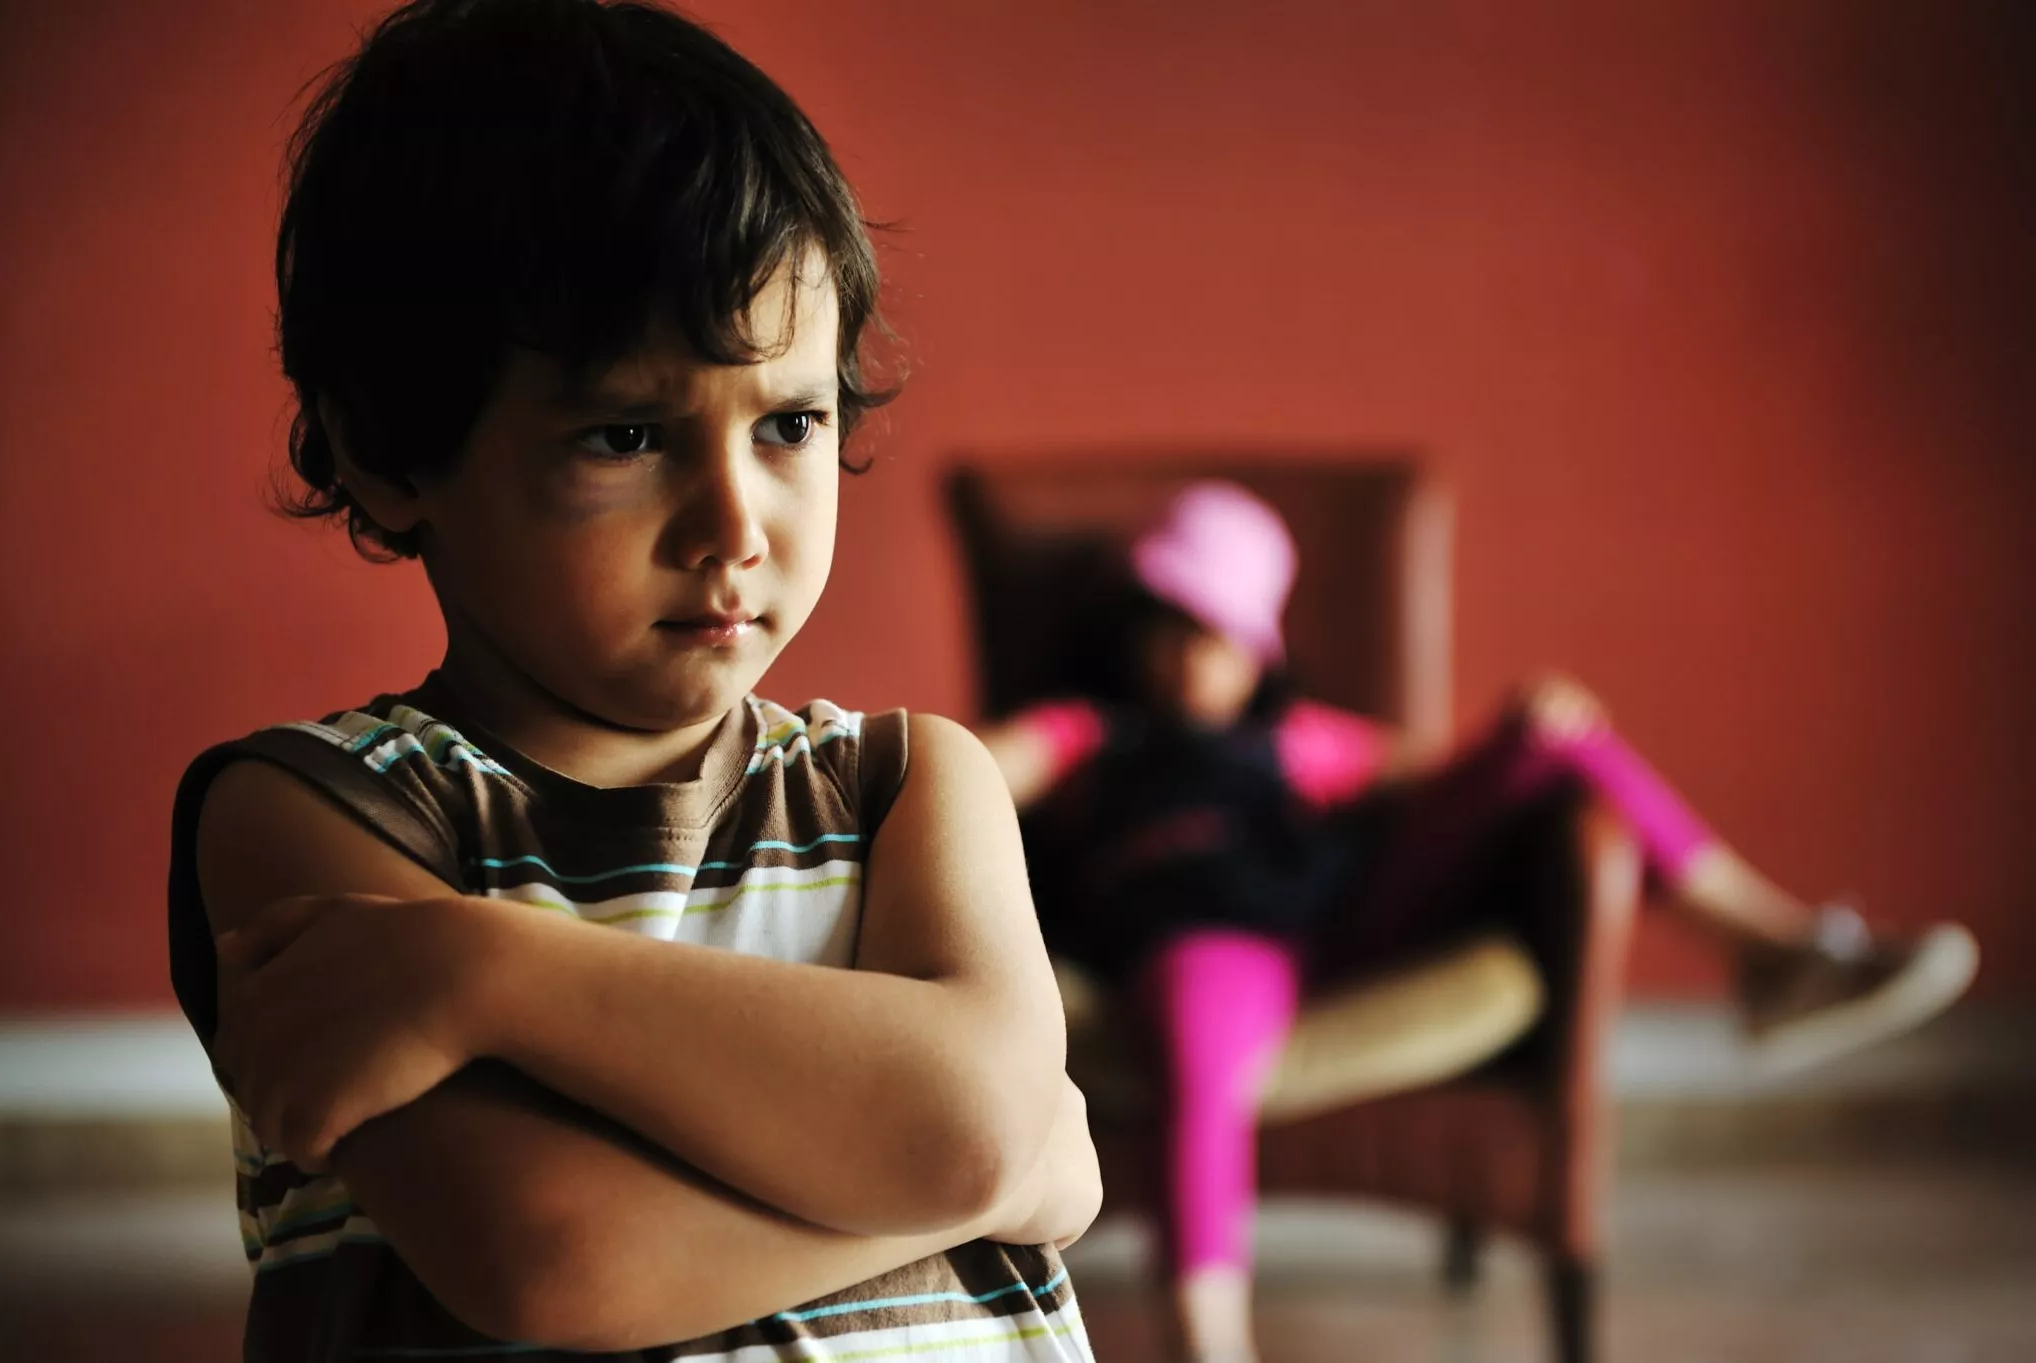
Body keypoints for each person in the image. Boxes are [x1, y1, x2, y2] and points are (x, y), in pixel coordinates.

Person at [165, 3, 1100, 1359]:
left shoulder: (905, 786)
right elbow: (557, 1258)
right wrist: (993, 1176)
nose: (736, 525)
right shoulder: (314, 818)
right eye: (626, 432)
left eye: (789, 422)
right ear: (384, 448)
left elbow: (978, 1120)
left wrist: (481, 972)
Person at [980, 480, 1978, 1363]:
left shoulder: (1294, 737)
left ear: (1255, 646)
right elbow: (981, 767)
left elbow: (1423, 773)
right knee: (1196, 1034)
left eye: (1210, 631)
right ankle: (1211, 1338)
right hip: (1204, 943)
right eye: (1163, 625)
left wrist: (1520, 733)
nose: (1183, 656)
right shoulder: (1091, 730)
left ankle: (1769, 949)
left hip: (1337, 916)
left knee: (1550, 740)